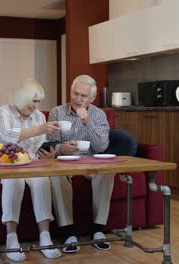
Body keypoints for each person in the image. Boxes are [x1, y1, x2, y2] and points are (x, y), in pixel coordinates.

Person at [0, 79, 61, 261]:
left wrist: (49, 154)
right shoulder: (3, 112)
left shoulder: (39, 116)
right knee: (15, 181)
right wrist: (39, 129)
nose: (37, 106)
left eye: (39, 102)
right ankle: (11, 238)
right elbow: (7, 136)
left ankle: (45, 237)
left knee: (42, 180)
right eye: (34, 101)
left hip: (31, 161)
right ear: (22, 98)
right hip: (6, 162)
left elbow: (39, 145)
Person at [48, 74, 113, 253]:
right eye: (75, 93)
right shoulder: (57, 112)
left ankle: (98, 230)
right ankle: (68, 233)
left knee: (108, 171)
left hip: (90, 161)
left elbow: (101, 146)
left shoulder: (99, 115)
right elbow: (50, 144)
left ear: (92, 98)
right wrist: (62, 148)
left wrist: (87, 121)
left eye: (83, 96)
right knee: (55, 175)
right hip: (63, 163)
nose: (77, 98)